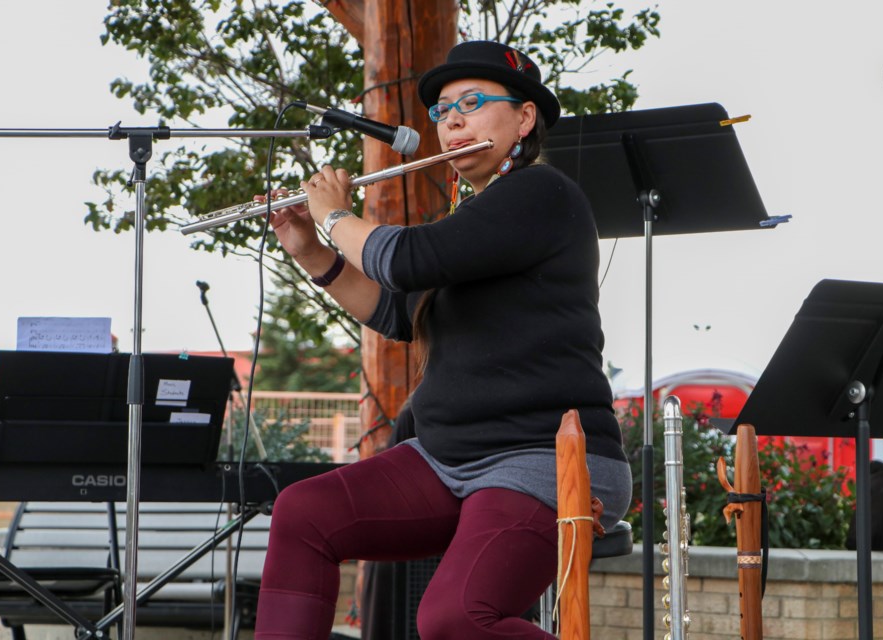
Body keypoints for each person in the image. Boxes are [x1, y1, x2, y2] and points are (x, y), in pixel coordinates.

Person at [255, 40, 632, 640]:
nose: (451, 120)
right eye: (443, 111)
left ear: (525, 117)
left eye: (473, 103)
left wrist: (332, 215)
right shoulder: (472, 221)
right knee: (303, 515)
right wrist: (311, 251)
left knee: (454, 619)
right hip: (447, 456)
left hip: (542, 460)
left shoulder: (542, 195)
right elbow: (395, 311)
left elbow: (404, 261)